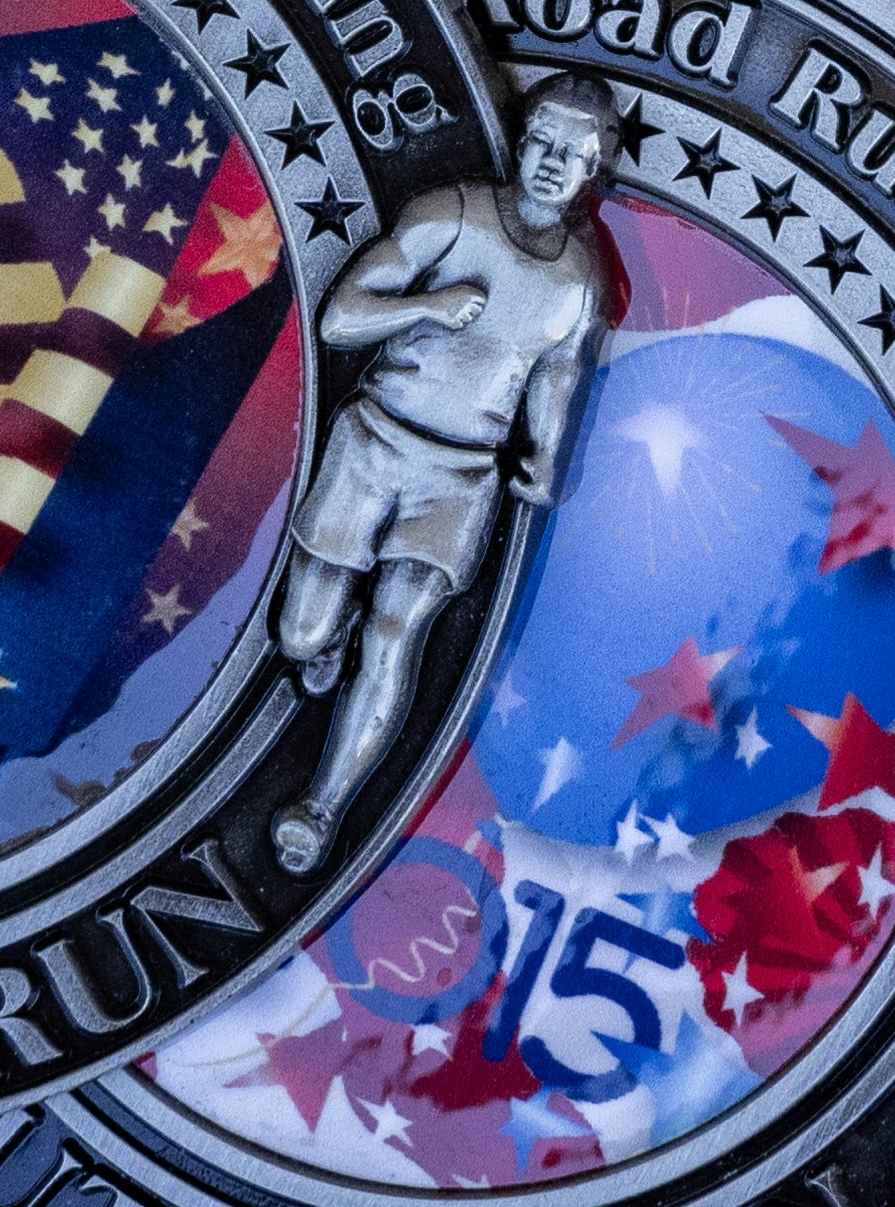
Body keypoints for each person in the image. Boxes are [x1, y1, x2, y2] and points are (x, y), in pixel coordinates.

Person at [266, 78, 626, 869]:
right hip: (375, 443)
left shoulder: (578, 282)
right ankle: (329, 637)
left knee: (399, 634)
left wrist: (547, 457)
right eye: (541, 143)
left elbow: (560, 379)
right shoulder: (449, 215)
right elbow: (339, 318)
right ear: (520, 140)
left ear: (594, 173)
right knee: (301, 634)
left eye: (573, 155)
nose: (549, 164)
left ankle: (322, 808)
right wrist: (427, 306)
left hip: (460, 480)